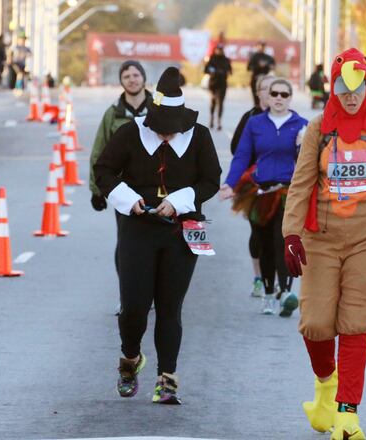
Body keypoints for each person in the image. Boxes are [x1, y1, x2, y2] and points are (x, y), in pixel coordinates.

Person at [282, 48, 366, 439]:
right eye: (343, 86)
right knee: (316, 324)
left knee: (356, 324)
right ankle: (326, 386)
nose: (351, 94)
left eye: (358, 87)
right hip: (320, 239)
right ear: (332, 86)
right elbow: (302, 183)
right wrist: (291, 233)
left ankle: (347, 412)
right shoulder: (318, 128)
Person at [94, 67, 221, 405]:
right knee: (134, 307)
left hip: (181, 231)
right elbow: (103, 170)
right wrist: (126, 198)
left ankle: (167, 378)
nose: (167, 137)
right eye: (162, 131)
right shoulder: (129, 133)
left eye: (173, 131)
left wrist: (179, 201)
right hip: (138, 227)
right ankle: (131, 358)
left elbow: (211, 181)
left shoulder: (200, 137)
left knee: (170, 308)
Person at [220, 78, 308, 316]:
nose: (279, 98)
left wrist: (302, 146)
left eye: (284, 94)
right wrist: (229, 184)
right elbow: (241, 156)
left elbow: (312, 161)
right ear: (266, 98)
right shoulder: (255, 123)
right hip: (259, 192)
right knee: (265, 244)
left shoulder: (302, 124)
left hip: (289, 192)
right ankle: (269, 293)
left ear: (290, 98)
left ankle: (286, 293)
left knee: (284, 242)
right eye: (275, 94)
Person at [90, 60, 152, 315]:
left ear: (144, 78)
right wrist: (97, 190)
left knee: (154, 246)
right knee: (126, 245)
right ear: (121, 81)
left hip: (155, 188)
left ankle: (152, 294)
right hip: (123, 191)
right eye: (126, 76)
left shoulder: (158, 109)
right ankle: (127, 297)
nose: (132, 79)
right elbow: (99, 151)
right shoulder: (113, 114)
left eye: (136, 74)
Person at [227, 74, 275, 298]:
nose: (269, 93)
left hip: (281, 184)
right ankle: (259, 277)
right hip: (254, 184)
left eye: (273, 88)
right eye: (265, 89)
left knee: (278, 235)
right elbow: (236, 149)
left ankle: (274, 279)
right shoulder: (250, 118)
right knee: (258, 232)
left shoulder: (286, 118)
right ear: (258, 93)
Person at [204, 44, 233, 131]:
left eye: (221, 49)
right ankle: (212, 117)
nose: (220, 51)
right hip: (213, 84)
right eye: (218, 49)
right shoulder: (212, 59)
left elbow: (230, 71)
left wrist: (225, 71)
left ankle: (219, 121)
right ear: (215, 50)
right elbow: (206, 70)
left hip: (222, 84)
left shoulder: (226, 60)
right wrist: (213, 71)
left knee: (220, 103)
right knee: (213, 102)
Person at [247, 41, 276, 107]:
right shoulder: (254, 57)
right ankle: (257, 113)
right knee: (256, 99)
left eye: (263, 46)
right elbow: (249, 68)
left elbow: (273, 66)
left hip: (265, 80)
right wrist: (258, 66)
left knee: (265, 99)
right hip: (255, 79)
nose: (262, 47)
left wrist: (268, 66)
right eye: (260, 46)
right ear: (257, 46)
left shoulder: (268, 57)